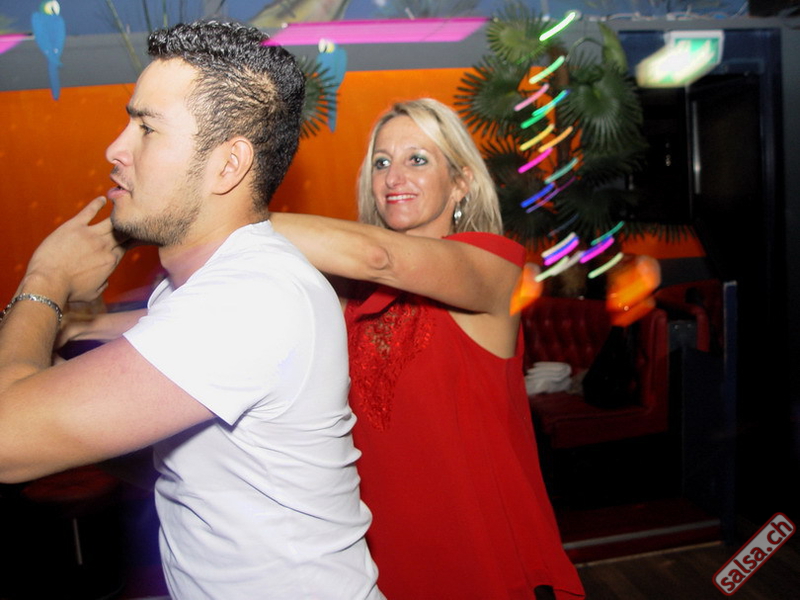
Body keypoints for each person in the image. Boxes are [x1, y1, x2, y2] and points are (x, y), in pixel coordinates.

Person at [0, 20, 382, 600]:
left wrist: (45, 280)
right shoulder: (194, 289)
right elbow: (189, 469)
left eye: (147, 128)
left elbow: (6, 441)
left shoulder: (251, 299)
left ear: (228, 165)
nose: (115, 149)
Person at [269, 98, 586, 599]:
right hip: (380, 555)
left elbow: (379, 256)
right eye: (381, 162)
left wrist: (220, 220)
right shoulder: (350, 296)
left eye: (417, 159)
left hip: (480, 554)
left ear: (460, 181)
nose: (394, 177)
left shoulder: (495, 266)